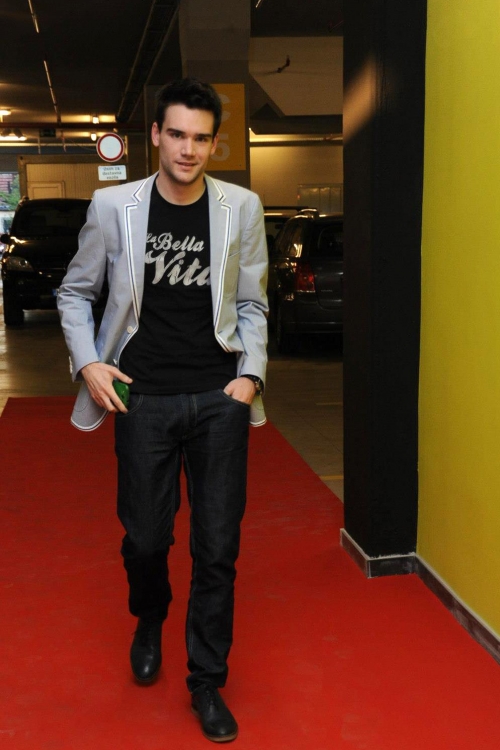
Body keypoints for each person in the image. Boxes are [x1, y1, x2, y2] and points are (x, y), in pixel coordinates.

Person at [57, 78, 268, 744]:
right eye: (176, 134)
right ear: (155, 135)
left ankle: (206, 680)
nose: (187, 149)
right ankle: (149, 617)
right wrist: (89, 363)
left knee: (218, 547)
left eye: (200, 138)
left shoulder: (242, 207)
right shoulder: (113, 205)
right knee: (146, 538)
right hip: (141, 398)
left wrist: (250, 377)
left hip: (218, 399)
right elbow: (74, 292)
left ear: (214, 143)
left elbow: (253, 303)